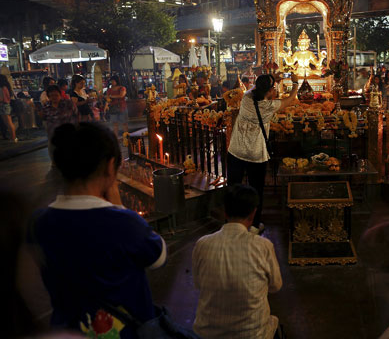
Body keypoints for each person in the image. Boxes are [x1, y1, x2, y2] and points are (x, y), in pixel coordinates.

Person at [28, 122, 167, 339]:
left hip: (67, 330)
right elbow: (158, 257)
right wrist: (119, 206)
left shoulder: (38, 223)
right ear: (110, 166)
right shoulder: (125, 223)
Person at [192, 184, 283, 338]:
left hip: (207, 333)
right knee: (273, 322)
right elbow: (276, 286)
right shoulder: (262, 246)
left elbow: (198, 283)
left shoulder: (202, 244)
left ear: (225, 212)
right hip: (252, 334)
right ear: (253, 213)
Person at [227, 73, 299, 234]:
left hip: (236, 150)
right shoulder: (269, 106)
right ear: (268, 92)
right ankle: (253, 225)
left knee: (232, 188)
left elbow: (256, 89)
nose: (274, 90)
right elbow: (291, 99)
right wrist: (295, 83)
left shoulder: (246, 98)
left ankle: (231, 222)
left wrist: (270, 81)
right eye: (273, 88)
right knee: (256, 190)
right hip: (255, 154)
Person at [0, 73, 17, 142]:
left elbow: (1, 99)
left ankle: (13, 138)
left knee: (8, 123)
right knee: (9, 123)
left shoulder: (1, 88)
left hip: (3, 106)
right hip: (7, 105)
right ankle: (13, 138)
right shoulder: (6, 87)